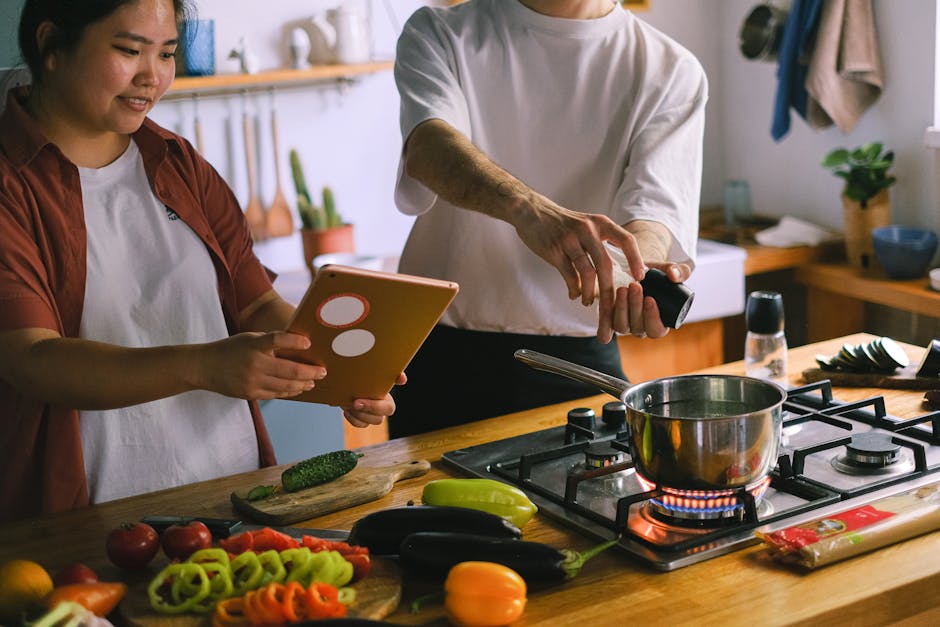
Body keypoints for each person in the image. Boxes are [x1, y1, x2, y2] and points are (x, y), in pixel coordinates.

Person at [0, 0, 400, 523]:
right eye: (129, 50)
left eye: (166, 53)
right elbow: (33, 361)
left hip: (231, 495)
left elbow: (256, 303)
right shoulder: (12, 185)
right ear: (51, 44)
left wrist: (347, 373)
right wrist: (205, 365)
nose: (153, 76)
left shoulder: (178, 163)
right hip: (90, 514)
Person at [389, 0, 707, 438]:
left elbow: (653, 210)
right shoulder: (443, 32)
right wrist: (529, 210)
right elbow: (429, 146)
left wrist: (640, 271)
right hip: (442, 354)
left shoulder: (670, 69)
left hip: (579, 363)